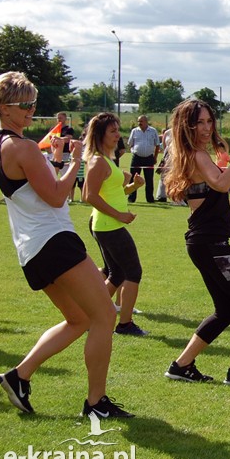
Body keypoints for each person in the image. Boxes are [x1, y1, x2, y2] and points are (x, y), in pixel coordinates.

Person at [0, 71, 132, 418]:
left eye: (33, 103)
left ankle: (19, 376)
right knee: (103, 315)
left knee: (79, 319)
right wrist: (73, 164)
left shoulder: (1, 146)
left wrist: (54, 161)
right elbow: (57, 197)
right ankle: (96, 403)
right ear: (3, 108)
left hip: (31, 248)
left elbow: (32, 191)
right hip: (54, 241)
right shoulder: (22, 147)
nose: (30, 109)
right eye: (23, 104)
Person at [162, 101, 230, 385]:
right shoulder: (196, 155)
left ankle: (181, 365)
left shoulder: (195, 155)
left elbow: (221, 183)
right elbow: (221, 184)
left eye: (210, 121)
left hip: (205, 242)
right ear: (187, 126)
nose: (206, 128)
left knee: (226, 309)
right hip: (210, 244)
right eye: (200, 123)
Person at [82, 112, 148, 337]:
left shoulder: (107, 159)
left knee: (117, 273)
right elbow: (88, 195)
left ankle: (93, 315)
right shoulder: (98, 161)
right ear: (100, 134)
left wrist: (133, 187)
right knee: (133, 272)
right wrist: (119, 215)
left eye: (118, 130)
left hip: (109, 224)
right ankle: (125, 324)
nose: (118, 135)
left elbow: (111, 192)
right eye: (113, 131)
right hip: (109, 226)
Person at [126, 115, 159, 203]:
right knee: (133, 178)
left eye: (141, 121)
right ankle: (131, 198)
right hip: (136, 158)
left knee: (149, 179)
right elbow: (130, 144)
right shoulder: (134, 131)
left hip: (149, 158)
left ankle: (150, 199)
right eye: (138, 121)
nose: (139, 123)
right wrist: (134, 151)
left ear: (146, 122)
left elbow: (157, 145)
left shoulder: (153, 131)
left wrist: (155, 157)